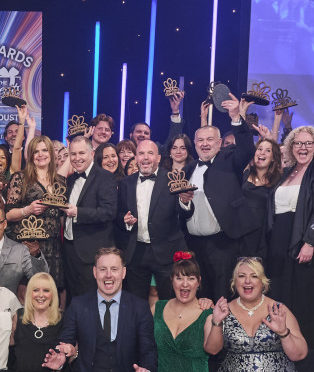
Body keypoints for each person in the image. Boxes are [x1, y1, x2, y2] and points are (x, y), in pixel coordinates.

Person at [266, 126, 314, 372]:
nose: (303, 148)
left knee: (302, 306)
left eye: (308, 143)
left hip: (301, 244)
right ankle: (279, 368)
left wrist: (310, 243)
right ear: (291, 147)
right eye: (298, 143)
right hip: (278, 244)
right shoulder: (286, 173)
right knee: (280, 302)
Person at [181, 105, 255, 301]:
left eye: (210, 139)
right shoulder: (188, 170)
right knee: (200, 296)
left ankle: (221, 332)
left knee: (222, 296)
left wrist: (236, 117)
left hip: (223, 243)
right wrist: (184, 203)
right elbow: (182, 208)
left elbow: (247, 150)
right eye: (200, 140)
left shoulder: (230, 160)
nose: (205, 144)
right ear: (195, 144)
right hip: (194, 245)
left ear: (220, 142)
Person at [116, 140, 190, 299]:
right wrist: (125, 220)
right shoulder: (125, 183)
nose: (145, 158)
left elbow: (184, 216)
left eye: (150, 153)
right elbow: (118, 214)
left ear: (158, 158)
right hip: (136, 253)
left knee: (170, 301)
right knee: (136, 304)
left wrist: (184, 202)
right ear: (135, 158)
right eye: (141, 153)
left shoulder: (172, 179)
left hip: (167, 251)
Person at [5, 135, 68, 292]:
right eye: (36, 151)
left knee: (51, 294)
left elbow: (62, 218)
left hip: (53, 247)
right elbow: (8, 215)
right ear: (31, 155)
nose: (41, 155)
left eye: (45, 150)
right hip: (27, 245)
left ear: (51, 154)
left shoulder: (60, 181)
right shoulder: (20, 178)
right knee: (27, 296)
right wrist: (28, 210)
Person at [62, 135, 118, 297]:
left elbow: (109, 212)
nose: (77, 158)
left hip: (92, 252)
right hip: (69, 250)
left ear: (92, 154)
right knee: (73, 298)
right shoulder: (71, 179)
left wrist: (79, 212)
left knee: (91, 301)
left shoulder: (105, 177)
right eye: (73, 154)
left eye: (81, 153)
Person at [241, 138, 282, 257]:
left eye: (268, 151)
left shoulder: (278, 180)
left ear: (273, 157)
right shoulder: (243, 173)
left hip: (263, 233)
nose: (262, 153)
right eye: (259, 149)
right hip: (240, 231)